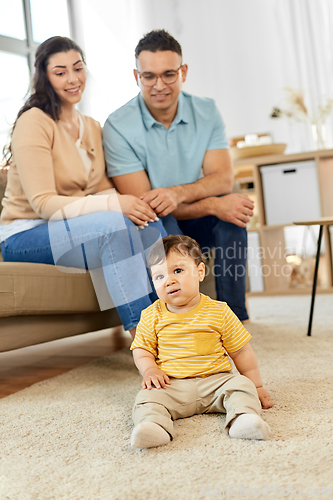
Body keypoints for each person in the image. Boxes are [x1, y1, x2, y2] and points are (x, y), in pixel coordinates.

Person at [0, 36, 168, 339]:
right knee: (114, 224)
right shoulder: (34, 122)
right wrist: (116, 206)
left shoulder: (90, 126)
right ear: (45, 77)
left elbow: (102, 189)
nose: (73, 79)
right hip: (24, 234)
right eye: (60, 72)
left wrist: (135, 205)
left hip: (75, 228)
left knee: (151, 225)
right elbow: (43, 203)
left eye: (78, 68)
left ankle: (175, 327)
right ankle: (146, 340)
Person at [103, 29, 254, 321]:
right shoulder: (118, 126)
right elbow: (146, 203)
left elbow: (221, 178)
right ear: (137, 77)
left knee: (232, 214)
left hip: (188, 211)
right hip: (158, 219)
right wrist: (211, 204)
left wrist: (178, 193)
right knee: (164, 221)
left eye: (169, 74)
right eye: (149, 76)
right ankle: (181, 323)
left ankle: (233, 321)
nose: (159, 85)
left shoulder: (206, 111)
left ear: (183, 72)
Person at [130, 235, 272, 449]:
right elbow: (141, 349)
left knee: (242, 386)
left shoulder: (219, 311)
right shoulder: (151, 315)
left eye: (177, 271)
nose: (168, 280)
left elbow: (241, 352)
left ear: (200, 272)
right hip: (172, 384)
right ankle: (154, 427)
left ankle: (243, 419)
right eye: (159, 276)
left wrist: (257, 385)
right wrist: (149, 370)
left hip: (217, 382)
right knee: (147, 398)